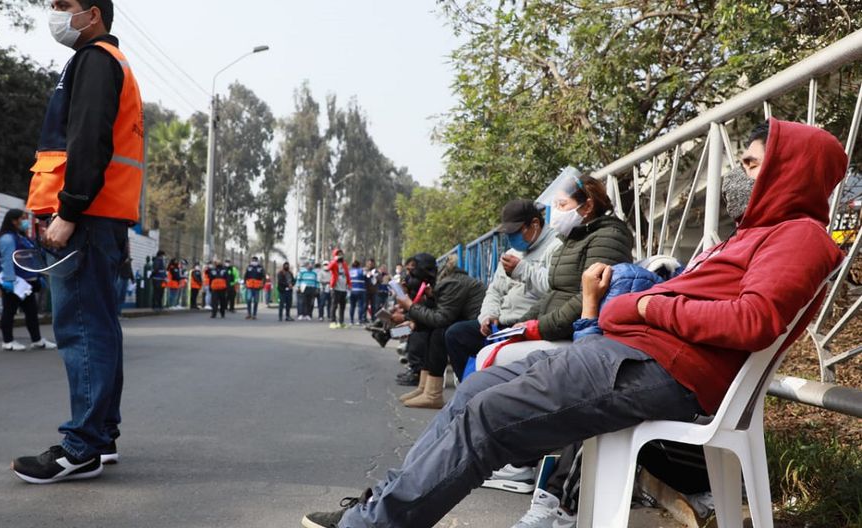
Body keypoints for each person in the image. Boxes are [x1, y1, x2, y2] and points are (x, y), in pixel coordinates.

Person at [300, 119, 846, 528]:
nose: (738, 175)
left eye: (752, 165)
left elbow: (753, 321)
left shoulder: (798, 236)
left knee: (488, 416)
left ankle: (373, 525)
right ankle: (382, 506)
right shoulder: (754, 234)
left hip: (660, 369)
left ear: (786, 171)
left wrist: (647, 306)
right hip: (627, 354)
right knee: (476, 389)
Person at [14, 0, 143, 484]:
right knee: (102, 328)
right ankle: (101, 437)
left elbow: (88, 139)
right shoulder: (114, 63)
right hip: (102, 219)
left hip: (84, 219)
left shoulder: (94, 61)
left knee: (82, 329)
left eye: (63, 5)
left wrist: (68, 211)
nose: (55, 12)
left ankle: (81, 446)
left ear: (93, 14)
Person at [477, 170, 634, 369]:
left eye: (562, 205)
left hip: (576, 335)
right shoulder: (572, 239)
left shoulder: (608, 237)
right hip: (552, 329)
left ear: (587, 206)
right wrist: (523, 323)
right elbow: (553, 292)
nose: (556, 212)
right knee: (488, 354)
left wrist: (538, 328)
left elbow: (587, 298)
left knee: (492, 359)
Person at [444, 199, 563, 380]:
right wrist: (487, 315)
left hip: (527, 324)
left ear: (535, 224)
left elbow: (555, 288)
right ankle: (470, 393)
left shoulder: (556, 246)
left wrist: (522, 269)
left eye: (515, 232)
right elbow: (495, 291)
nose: (511, 238)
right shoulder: (512, 253)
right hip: (500, 324)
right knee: (456, 335)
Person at [392, 254, 485, 409]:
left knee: (438, 332)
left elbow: (441, 319)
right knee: (430, 329)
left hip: (482, 326)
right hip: (470, 323)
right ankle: (424, 387)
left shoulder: (452, 283)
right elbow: (439, 314)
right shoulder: (443, 282)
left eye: (411, 271)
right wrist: (412, 319)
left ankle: (433, 394)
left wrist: (409, 305)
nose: (409, 276)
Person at [0, 209, 57, 351]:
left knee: (31, 311)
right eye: (22, 218)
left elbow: (32, 258)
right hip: (14, 282)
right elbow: (8, 261)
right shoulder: (8, 238)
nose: (25, 221)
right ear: (13, 221)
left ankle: (37, 340)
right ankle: (8, 341)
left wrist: (39, 276)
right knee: (9, 311)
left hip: (26, 282)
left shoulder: (22, 237)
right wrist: (8, 280)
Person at [329, 249, 351, 329]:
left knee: (342, 306)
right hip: (335, 288)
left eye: (341, 254)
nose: (340, 255)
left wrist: (349, 284)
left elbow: (347, 275)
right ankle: (332, 321)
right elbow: (329, 267)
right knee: (334, 306)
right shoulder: (334, 263)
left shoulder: (344, 264)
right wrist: (335, 260)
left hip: (343, 289)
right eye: (338, 254)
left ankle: (341, 322)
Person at [348, 260, 368, 325]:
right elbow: (366, 278)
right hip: (361, 290)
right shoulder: (361, 271)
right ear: (359, 265)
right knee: (360, 306)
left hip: (352, 290)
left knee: (352, 306)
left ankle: (351, 321)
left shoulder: (350, 271)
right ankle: (359, 320)